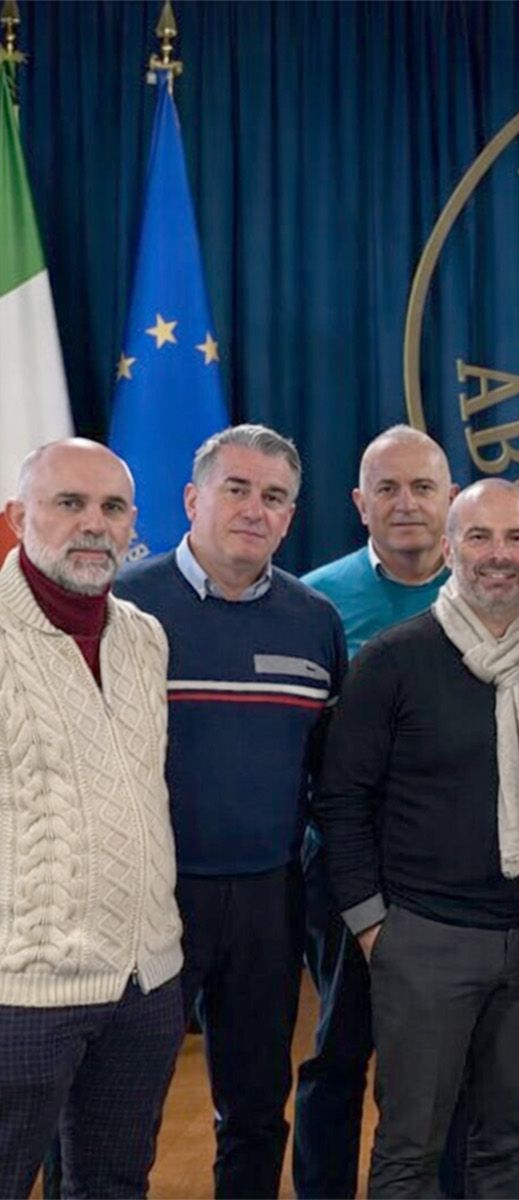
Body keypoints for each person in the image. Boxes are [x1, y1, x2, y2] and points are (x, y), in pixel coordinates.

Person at [314, 479, 519, 1199]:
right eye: (480, 537)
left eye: (516, 538)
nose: (499, 554)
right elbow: (341, 799)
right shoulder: (393, 660)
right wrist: (372, 926)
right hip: (424, 939)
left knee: (508, 1139)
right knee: (410, 1145)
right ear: (451, 547)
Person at [117, 424, 346, 1199]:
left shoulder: (314, 620)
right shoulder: (124, 606)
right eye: (237, 489)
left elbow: (326, 771)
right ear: (192, 499)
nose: (255, 509)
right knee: (119, 1106)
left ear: (290, 516)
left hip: (267, 900)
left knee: (254, 1106)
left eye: (274, 496)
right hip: (147, 897)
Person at [0, 440, 185, 1198]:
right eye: (69, 503)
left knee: (113, 1185)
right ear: (19, 517)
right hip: (21, 992)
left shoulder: (145, 637)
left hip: (146, 982)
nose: (93, 524)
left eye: (112, 508)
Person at [294, 425, 457, 1199]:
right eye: (387, 488)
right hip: (344, 867)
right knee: (339, 1049)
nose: (406, 504)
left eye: (423, 487)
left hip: (453, 876)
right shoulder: (313, 600)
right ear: (360, 503)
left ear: (451, 499)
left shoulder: (491, 590)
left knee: (439, 1058)